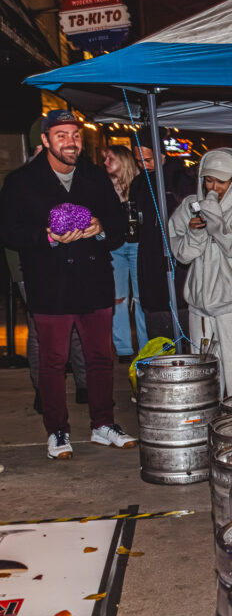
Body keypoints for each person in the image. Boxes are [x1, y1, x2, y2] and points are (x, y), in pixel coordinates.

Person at [0, 109, 137, 458]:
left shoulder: (94, 176)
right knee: (53, 361)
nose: (70, 142)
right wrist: (45, 237)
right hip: (50, 282)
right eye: (61, 135)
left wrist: (100, 228)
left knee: (100, 359)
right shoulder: (21, 180)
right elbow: (9, 230)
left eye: (74, 135)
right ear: (45, 140)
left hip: (94, 280)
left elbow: (119, 223)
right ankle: (57, 431)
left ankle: (103, 425)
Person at [168, 148, 232, 396]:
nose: (214, 186)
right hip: (200, 306)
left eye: (222, 181)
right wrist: (195, 232)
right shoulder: (189, 206)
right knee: (205, 375)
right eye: (209, 179)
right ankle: (208, 421)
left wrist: (211, 217)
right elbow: (183, 254)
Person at [131, 132, 190, 341]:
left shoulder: (179, 179)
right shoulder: (138, 184)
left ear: (161, 154)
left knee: (182, 318)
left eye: (148, 160)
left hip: (176, 258)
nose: (143, 165)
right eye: (138, 161)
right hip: (150, 256)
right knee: (157, 325)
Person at [103, 145, 146, 361]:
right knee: (118, 298)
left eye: (110, 158)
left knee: (140, 298)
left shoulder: (140, 183)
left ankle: (146, 346)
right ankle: (124, 350)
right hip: (115, 247)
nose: (106, 162)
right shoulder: (104, 186)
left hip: (138, 245)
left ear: (123, 160)